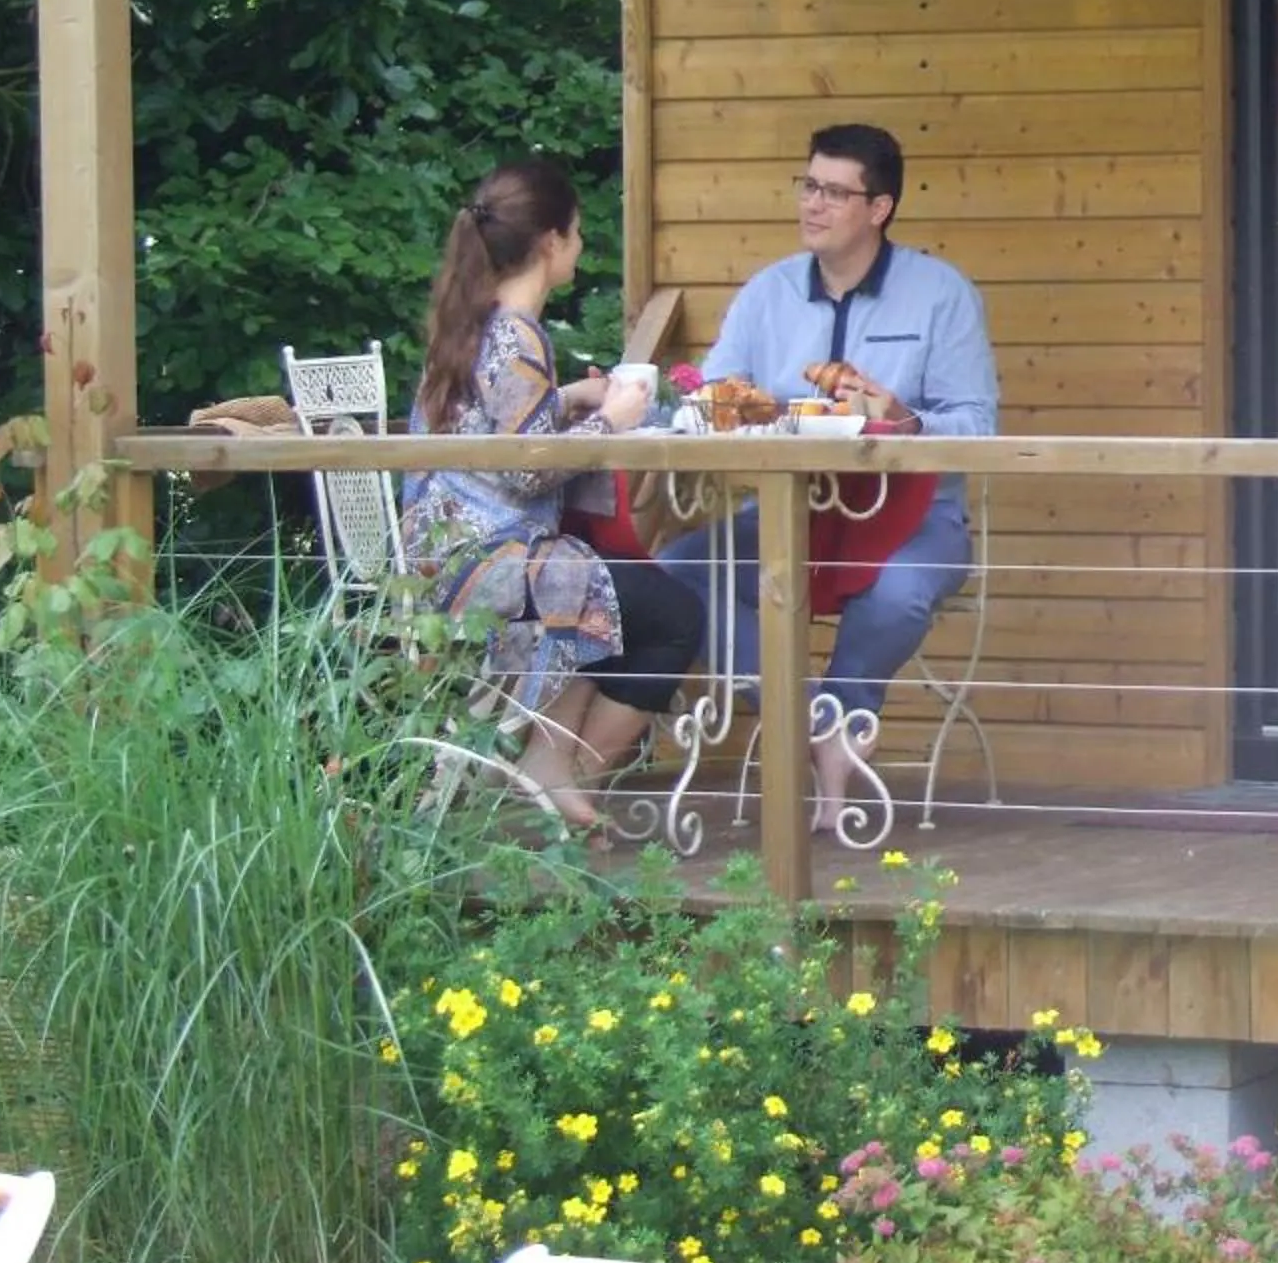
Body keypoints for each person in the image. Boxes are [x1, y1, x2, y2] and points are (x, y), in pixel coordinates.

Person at [659, 122, 998, 826]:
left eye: (835, 192)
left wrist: (905, 419)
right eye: (809, 186)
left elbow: (978, 428)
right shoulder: (767, 293)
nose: (813, 204)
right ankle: (813, 725)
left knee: (898, 595)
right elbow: (715, 396)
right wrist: (729, 410)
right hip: (792, 513)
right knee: (677, 571)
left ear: (879, 208)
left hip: (916, 514)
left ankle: (839, 721)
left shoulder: (942, 295)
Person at [401, 159, 707, 835]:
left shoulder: (472, 322)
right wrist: (614, 421)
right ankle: (555, 780)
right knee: (673, 615)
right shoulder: (515, 333)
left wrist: (573, 397)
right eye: (576, 233)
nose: (579, 246)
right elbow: (529, 470)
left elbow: (501, 431)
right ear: (549, 242)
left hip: (444, 556)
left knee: (619, 593)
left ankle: (548, 769)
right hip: (485, 567)